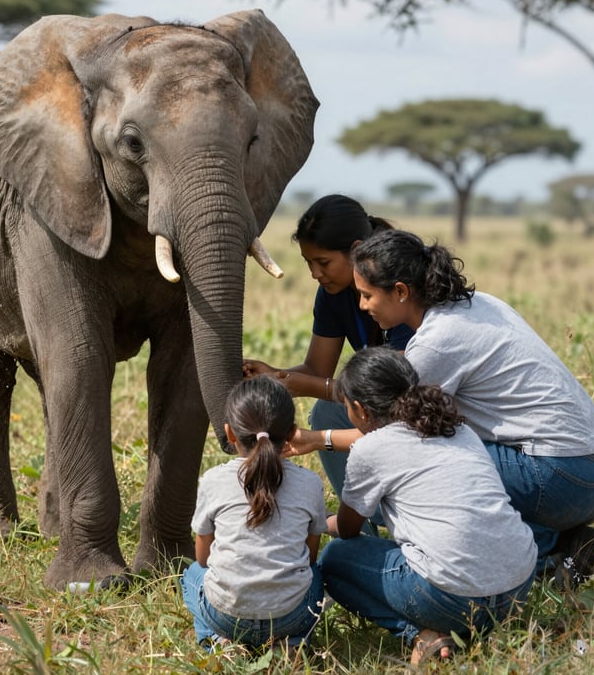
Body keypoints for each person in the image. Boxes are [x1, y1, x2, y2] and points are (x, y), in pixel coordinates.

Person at [349, 228, 594, 583]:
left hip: (562, 479)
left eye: (366, 295)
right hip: (592, 469)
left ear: (401, 292)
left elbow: (391, 438)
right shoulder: (478, 303)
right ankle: (563, 541)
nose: (362, 306)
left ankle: (545, 551)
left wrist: (319, 439)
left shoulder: (434, 344)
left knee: (421, 455)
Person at [318, 347, 537, 666]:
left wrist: (315, 522)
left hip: (453, 597)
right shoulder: (458, 428)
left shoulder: (370, 449)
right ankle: (458, 628)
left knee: (334, 558)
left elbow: (349, 529)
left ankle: (423, 633)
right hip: (518, 584)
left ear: (360, 410)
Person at [242, 194, 414, 496]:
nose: (314, 274)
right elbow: (317, 370)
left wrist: (289, 383)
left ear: (357, 251)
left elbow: (395, 396)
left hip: (419, 415)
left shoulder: (396, 293)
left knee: (331, 414)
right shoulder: (332, 295)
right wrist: (273, 377)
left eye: (323, 262)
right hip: (392, 412)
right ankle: (363, 512)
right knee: (327, 411)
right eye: (308, 263)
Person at [180, 375, 328, 652]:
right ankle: (292, 643)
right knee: (317, 574)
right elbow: (309, 558)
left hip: (226, 617)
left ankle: (217, 642)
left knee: (191, 574)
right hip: (290, 616)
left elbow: (203, 558)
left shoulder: (212, 480)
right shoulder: (310, 483)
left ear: (230, 432)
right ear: (291, 432)